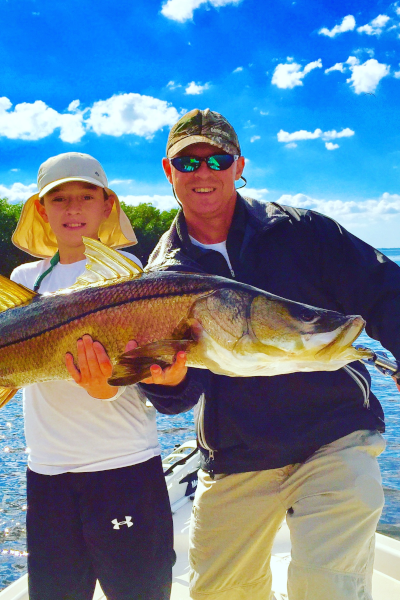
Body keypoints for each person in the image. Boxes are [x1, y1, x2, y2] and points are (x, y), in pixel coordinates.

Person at [139, 108, 400, 600]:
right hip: (237, 454)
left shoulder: (304, 232)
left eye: (218, 159)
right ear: (168, 171)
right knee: (219, 592)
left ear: (240, 166)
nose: (204, 173)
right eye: (188, 163)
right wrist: (165, 380)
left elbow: (387, 290)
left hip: (335, 435)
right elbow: (175, 398)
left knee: (329, 586)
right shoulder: (161, 276)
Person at [10, 152, 179, 600]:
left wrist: (106, 388)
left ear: (107, 205)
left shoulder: (141, 282)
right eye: (59, 198)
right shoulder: (25, 278)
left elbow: (150, 373)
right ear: (42, 210)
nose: (73, 207)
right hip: (46, 472)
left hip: (123, 466)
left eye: (86, 195)